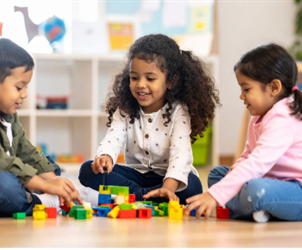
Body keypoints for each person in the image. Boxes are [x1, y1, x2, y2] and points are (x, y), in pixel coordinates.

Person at [78, 34, 220, 204]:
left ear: (171, 81)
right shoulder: (125, 108)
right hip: (136, 176)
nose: (140, 84)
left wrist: (168, 187)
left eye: (150, 78)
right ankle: (146, 196)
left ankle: (134, 197)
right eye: (134, 77)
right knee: (88, 170)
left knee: (192, 186)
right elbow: (113, 137)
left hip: (169, 178)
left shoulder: (179, 111)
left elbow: (181, 153)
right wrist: (105, 156)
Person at [185, 43, 302, 222]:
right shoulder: (260, 116)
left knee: (255, 190)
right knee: (218, 174)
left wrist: (214, 196)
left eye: (246, 89)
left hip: (295, 190)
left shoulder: (283, 118)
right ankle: (260, 210)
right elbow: (249, 153)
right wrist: (237, 167)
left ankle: (245, 207)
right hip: (268, 180)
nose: (242, 96)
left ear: (274, 87)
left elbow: (257, 163)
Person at [0, 37, 82, 217]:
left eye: (26, 87)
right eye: (19, 87)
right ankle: (40, 202)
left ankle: (29, 197)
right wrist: (45, 185)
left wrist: (55, 181)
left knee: (50, 166)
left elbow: (27, 152)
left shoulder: (8, 113)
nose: (25, 94)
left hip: (9, 175)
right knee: (3, 183)